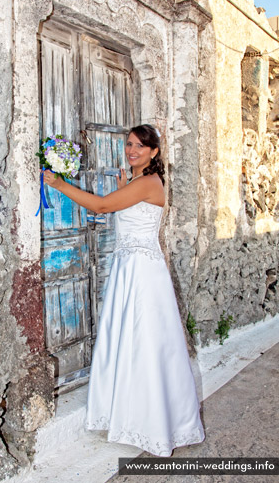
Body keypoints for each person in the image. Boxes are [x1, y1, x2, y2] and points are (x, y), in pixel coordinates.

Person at [43, 124, 204, 457]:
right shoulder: (137, 182)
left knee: (144, 340)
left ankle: (153, 421)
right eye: (129, 144)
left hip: (141, 273)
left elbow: (101, 206)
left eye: (141, 146)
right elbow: (123, 212)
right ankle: (130, 411)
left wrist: (60, 185)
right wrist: (124, 189)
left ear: (154, 153)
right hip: (130, 267)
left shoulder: (148, 182)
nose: (132, 150)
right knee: (132, 339)